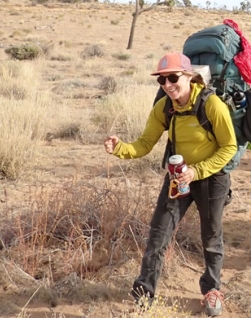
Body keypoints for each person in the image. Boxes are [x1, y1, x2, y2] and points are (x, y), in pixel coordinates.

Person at [103, 53, 236, 317]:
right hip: (177, 178)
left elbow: (229, 147)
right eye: (162, 80)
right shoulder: (165, 107)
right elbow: (143, 144)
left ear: (189, 76)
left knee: (211, 237)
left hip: (211, 179)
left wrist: (197, 171)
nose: (167, 85)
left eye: (173, 78)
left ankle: (212, 290)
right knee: (158, 235)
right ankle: (144, 295)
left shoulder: (212, 105)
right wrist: (120, 148)